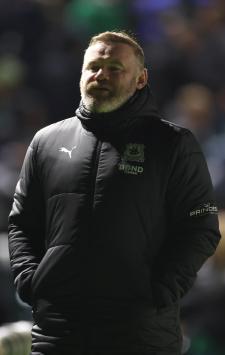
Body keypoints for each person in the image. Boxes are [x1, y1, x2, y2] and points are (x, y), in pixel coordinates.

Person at [8, 31, 221, 355]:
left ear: (141, 79)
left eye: (115, 67)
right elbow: (23, 223)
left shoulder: (173, 144)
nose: (101, 74)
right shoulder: (47, 142)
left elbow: (201, 225)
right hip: (57, 334)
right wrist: (32, 281)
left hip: (141, 335)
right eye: (94, 66)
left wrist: (160, 291)